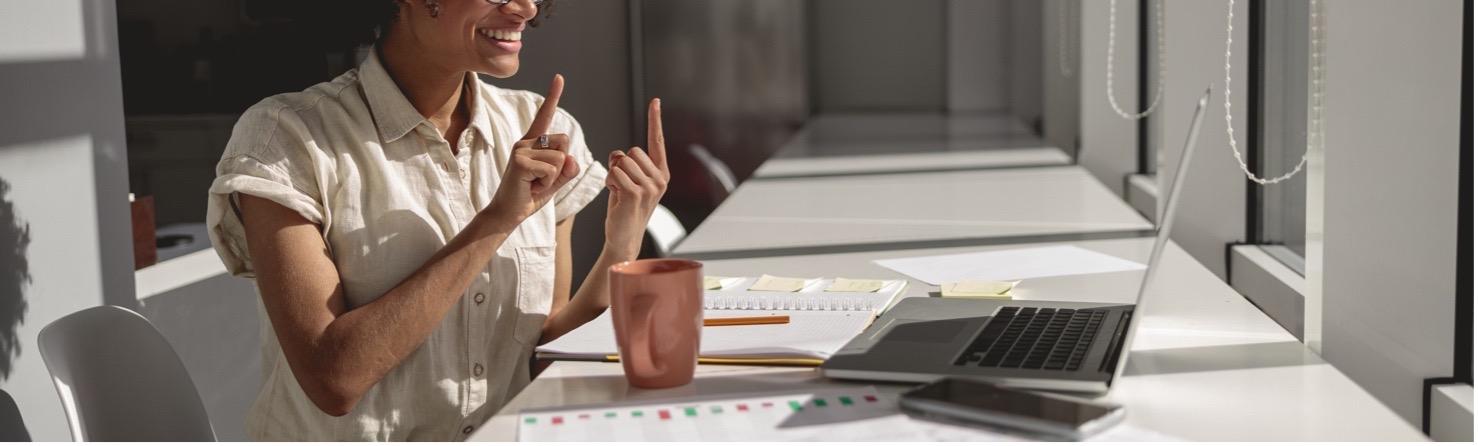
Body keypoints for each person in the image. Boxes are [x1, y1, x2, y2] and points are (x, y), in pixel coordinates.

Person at [204, 0, 670, 440]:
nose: (526, 8)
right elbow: (334, 381)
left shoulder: (541, 126)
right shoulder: (286, 137)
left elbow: (541, 360)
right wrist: (497, 220)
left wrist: (622, 246)